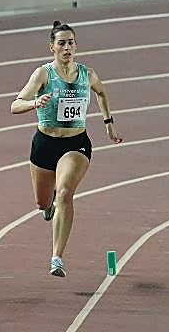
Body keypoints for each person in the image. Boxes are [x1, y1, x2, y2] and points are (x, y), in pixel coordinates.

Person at [10, 21, 123, 277]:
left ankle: (56, 257)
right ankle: (47, 206)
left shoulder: (87, 74)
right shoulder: (43, 74)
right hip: (45, 144)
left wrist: (108, 123)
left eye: (70, 42)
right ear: (52, 47)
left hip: (76, 144)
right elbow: (15, 105)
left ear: (76, 46)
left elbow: (102, 93)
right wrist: (34, 103)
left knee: (64, 193)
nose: (66, 47)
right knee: (42, 202)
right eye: (61, 43)